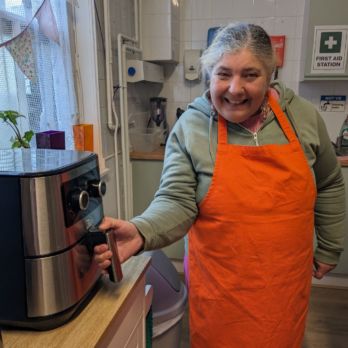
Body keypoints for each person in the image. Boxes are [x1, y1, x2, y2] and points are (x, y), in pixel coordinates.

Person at [94, 22, 345, 347]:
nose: (234, 88)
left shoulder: (303, 117)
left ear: (269, 75)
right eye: (224, 74)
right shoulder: (192, 127)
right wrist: (141, 230)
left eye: (250, 75)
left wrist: (329, 245)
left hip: (283, 284)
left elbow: (329, 183)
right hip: (220, 289)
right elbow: (176, 201)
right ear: (209, 74)